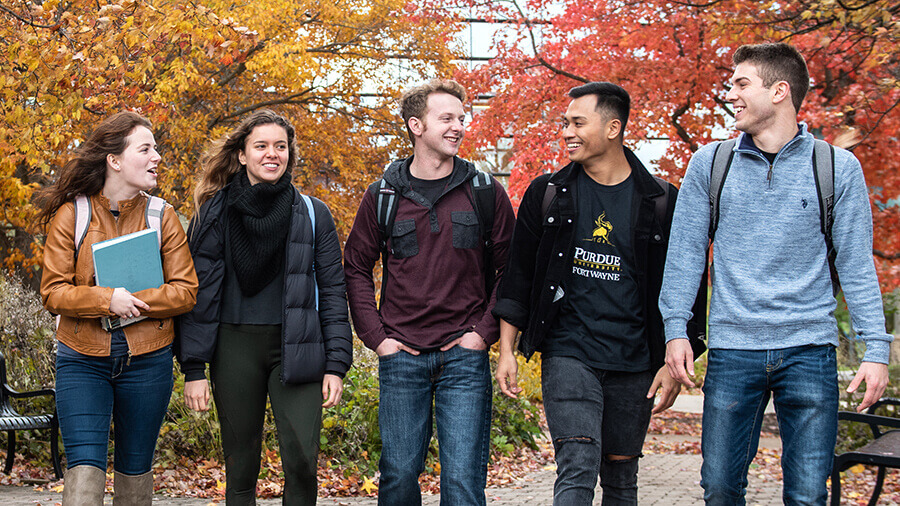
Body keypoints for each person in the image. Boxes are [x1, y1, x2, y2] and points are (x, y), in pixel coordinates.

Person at [660, 42, 892, 504]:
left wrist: (877, 348)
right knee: (721, 487)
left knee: (807, 494)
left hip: (809, 349)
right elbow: (685, 252)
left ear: (780, 91)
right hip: (733, 349)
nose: (732, 94)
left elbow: (855, 261)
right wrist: (675, 329)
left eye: (742, 84)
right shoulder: (710, 163)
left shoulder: (836, 167)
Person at [492, 82, 706, 505]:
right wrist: (506, 349)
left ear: (613, 128)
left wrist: (675, 358)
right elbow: (518, 276)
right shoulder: (547, 193)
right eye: (564, 123)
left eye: (577, 123)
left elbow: (688, 283)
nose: (566, 132)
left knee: (622, 478)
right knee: (577, 464)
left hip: (636, 359)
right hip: (569, 351)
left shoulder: (662, 201)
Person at [343, 78, 515, 505]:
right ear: (416, 125)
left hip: (464, 358)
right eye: (447, 118)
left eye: (461, 118)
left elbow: (511, 271)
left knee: (462, 483)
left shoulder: (485, 191)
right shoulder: (381, 195)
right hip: (402, 357)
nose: (458, 126)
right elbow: (356, 267)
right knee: (398, 478)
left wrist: (482, 334)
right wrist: (378, 339)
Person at [176, 109, 352, 505]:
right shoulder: (213, 212)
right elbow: (196, 294)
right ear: (242, 154)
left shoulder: (312, 213)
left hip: (298, 347)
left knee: (304, 462)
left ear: (290, 153)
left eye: (280, 146)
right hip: (233, 347)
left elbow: (333, 289)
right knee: (240, 468)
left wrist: (336, 363)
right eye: (261, 146)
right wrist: (193, 368)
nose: (272, 154)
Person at [38, 111, 199, 505]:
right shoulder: (72, 215)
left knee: (135, 469)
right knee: (84, 471)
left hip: (148, 361)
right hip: (81, 359)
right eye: (145, 149)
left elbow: (186, 290)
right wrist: (107, 299)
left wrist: (135, 301)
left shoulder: (162, 216)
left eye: (156, 149)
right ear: (114, 160)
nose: (156, 157)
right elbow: (53, 292)